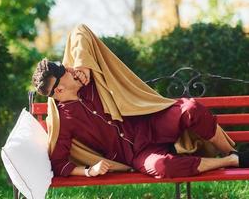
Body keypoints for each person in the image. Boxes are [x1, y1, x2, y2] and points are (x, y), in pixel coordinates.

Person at [31, 58, 249, 179]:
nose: (71, 69)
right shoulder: (64, 120)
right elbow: (58, 163)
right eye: (65, 71)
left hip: (150, 122)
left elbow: (81, 32)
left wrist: (86, 66)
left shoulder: (89, 78)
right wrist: (89, 171)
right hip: (136, 154)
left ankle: (233, 152)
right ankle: (231, 161)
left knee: (190, 107)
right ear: (59, 90)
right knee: (164, 167)